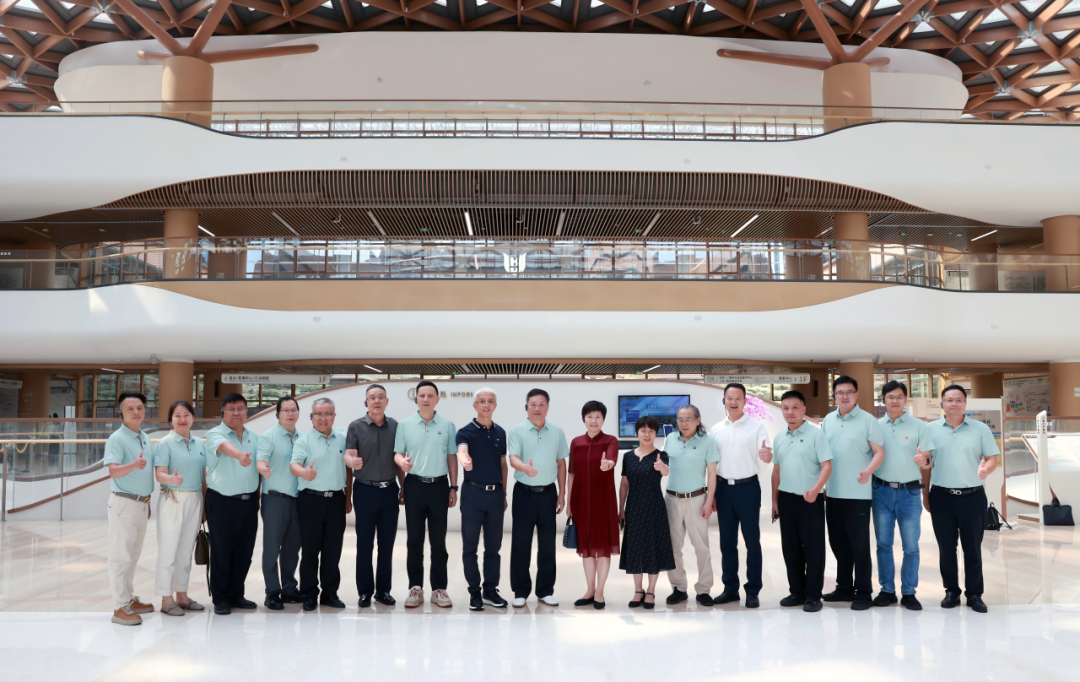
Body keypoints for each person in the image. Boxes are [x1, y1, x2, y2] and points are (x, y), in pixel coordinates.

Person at [921, 384, 998, 613]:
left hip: (973, 497)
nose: (954, 403)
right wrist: (926, 494)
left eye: (958, 400)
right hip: (941, 496)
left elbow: (992, 458)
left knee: (972, 547)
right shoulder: (930, 429)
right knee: (946, 547)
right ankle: (951, 591)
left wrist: (986, 470)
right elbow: (926, 465)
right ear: (942, 403)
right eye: (949, 400)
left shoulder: (980, 429)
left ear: (965, 403)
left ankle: (974, 594)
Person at [819, 375, 884, 610]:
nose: (844, 396)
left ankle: (864, 592)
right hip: (833, 493)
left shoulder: (868, 420)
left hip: (858, 494)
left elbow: (879, 452)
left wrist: (868, 471)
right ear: (834, 396)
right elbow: (822, 455)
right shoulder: (828, 420)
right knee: (838, 544)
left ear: (856, 394)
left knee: (859, 546)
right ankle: (844, 587)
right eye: (840, 392)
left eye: (849, 392)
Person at [394, 381, 458, 609]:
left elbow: (452, 456)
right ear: (416, 399)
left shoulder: (448, 425)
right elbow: (398, 454)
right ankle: (416, 588)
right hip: (414, 486)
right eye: (422, 395)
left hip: (440, 486)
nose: (426, 399)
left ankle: (439, 589)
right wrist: (401, 466)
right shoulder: (405, 425)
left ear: (437, 399)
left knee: (438, 541)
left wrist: (453, 487)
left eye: (430, 395)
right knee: (414, 540)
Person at [708, 383, 772, 609]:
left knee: (752, 541)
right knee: (727, 542)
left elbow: (767, 455)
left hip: (748, 489)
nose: (733, 402)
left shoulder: (757, 427)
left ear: (745, 401)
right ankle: (730, 589)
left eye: (738, 398)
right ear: (724, 400)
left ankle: (753, 590)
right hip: (723, 489)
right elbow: (711, 465)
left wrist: (766, 454)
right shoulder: (716, 429)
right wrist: (711, 494)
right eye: (729, 398)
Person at [873, 381, 935, 610]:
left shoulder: (919, 426)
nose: (895, 401)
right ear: (883, 400)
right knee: (883, 544)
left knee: (911, 545)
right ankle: (887, 590)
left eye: (899, 396)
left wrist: (923, 460)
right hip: (880, 491)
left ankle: (909, 592)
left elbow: (928, 460)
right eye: (890, 397)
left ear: (905, 399)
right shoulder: (875, 426)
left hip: (910, 492)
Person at [771, 390, 833, 613]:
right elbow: (776, 471)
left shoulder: (817, 435)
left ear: (804, 409)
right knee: (791, 548)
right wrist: (774, 500)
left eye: (795, 407)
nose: (790, 412)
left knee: (813, 549)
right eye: (786, 408)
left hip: (810, 498)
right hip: (786, 499)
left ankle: (813, 596)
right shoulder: (779, 437)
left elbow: (827, 466)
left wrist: (816, 490)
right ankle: (796, 592)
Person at [507, 388, 569, 608]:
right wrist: (524, 468)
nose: (537, 408)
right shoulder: (517, 430)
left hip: (548, 494)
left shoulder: (557, 431)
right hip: (523, 493)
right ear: (527, 406)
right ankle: (520, 591)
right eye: (533, 404)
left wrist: (562, 493)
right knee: (520, 543)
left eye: (541, 404)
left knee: (547, 544)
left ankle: (545, 590)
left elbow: (561, 463)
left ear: (547, 407)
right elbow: (513, 458)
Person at [290, 397, 351, 611]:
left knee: (332, 550)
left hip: (336, 500)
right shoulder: (303, 441)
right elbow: (294, 465)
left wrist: (348, 498)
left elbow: (349, 471)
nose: (322, 418)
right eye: (318, 414)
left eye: (327, 414)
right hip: (310, 500)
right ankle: (309, 594)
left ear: (334, 416)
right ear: (311, 416)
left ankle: (330, 593)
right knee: (310, 550)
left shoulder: (343, 440)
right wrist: (303, 472)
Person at [344, 384, 401, 608]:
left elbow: (399, 459)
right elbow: (348, 455)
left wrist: (403, 488)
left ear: (387, 401)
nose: (376, 401)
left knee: (386, 545)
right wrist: (352, 461)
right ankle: (365, 592)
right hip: (364, 491)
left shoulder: (396, 426)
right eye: (372, 398)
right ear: (366, 402)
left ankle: (383, 591)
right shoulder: (356, 426)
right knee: (364, 543)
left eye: (380, 397)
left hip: (390, 491)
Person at [204, 393, 260, 616]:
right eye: (231, 409)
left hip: (249, 502)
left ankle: (237, 594)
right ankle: (221, 598)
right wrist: (239, 455)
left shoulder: (254, 436)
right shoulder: (215, 433)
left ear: (247, 411)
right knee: (221, 551)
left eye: (240, 409)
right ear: (223, 412)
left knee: (244, 552)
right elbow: (224, 447)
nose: (236, 413)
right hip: (222, 502)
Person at [455, 388, 510, 611]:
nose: (486, 405)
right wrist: (464, 460)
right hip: (473, 494)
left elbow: (503, 465)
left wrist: (504, 493)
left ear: (495, 405)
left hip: (495, 495)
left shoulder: (501, 432)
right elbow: (461, 450)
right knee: (470, 547)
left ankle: (490, 590)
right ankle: (474, 592)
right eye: (482, 401)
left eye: (490, 401)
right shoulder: (465, 431)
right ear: (475, 405)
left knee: (493, 547)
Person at [104, 391, 156, 626]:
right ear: (121, 413)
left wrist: (147, 502)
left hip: (141, 503)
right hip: (123, 503)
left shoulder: (144, 437)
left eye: (140, 408)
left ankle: (129, 599)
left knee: (133, 556)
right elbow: (113, 471)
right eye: (130, 409)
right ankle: (119, 607)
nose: (136, 412)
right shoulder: (117, 438)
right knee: (120, 557)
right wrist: (133, 465)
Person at [153, 399, 207, 617]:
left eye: (186, 415)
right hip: (172, 498)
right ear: (171, 420)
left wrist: (204, 506)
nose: (182, 419)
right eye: (177, 415)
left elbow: (203, 478)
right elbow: (159, 474)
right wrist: (171, 479)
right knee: (168, 551)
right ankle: (166, 599)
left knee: (185, 552)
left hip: (195, 499)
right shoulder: (164, 443)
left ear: (193, 418)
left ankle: (182, 596)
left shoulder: (200, 444)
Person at [566, 400, 620, 609]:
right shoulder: (576, 442)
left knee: (603, 547)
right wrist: (569, 502)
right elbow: (572, 473)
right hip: (580, 501)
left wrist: (608, 464)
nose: (594, 420)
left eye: (598, 416)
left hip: (604, 501)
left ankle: (600, 592)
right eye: (590, 416)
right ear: (584, 419)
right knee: (586, 547)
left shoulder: (610, 440)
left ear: (603, 419)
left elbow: (612, 460)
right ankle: (589, 590)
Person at [664, 404, 719, 607]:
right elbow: (664, 467)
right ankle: (678, 588)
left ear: (698, 420)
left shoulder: (708, 441)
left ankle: (703, 590)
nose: (684, 423)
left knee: (701, 547)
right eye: (680, 419)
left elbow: (712, 474)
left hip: (697, 499)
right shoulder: (670, 439)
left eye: (688, 419)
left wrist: (709, 500)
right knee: (673, 547)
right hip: (672, 500)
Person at [618, 416, 675, 610]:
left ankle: (650, 590)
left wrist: (662, 467)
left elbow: (666, 472)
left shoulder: (661, 455)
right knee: (635, 548)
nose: (647, 434)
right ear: (637, 433)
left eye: (651, 431)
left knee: (652, 548)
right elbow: (624, 483)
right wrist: (621, 508)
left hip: (654, 508)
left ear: (656, 433)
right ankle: (638, 590)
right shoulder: (628, 456)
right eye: (643, 430)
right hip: (633, 507)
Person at [255, 396, 304, 610]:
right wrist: (262, 468)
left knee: (292, 548)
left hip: (298, 500)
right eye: (286, 410)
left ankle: (289, 589)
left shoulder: (304, 438)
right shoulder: (268, 437)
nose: (290, 414)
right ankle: (272, 592)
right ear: (277, 414)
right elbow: (260, 460)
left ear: (299, 414)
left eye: (294, 410)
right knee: (272, 548)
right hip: (275, 499)